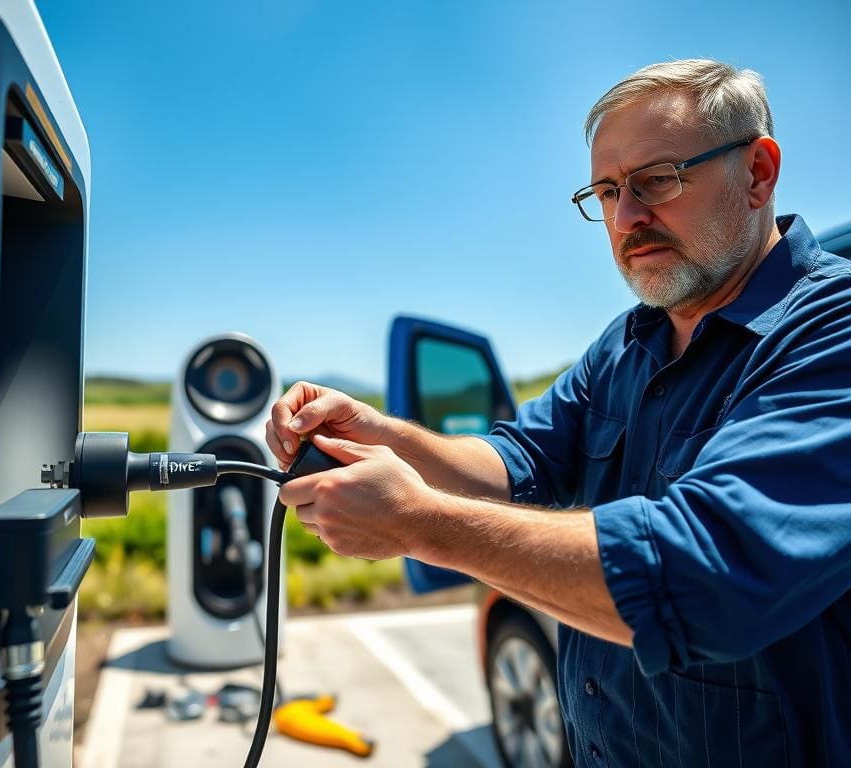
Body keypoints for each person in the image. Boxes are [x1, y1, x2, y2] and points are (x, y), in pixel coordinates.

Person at [266, 59, 851, 766]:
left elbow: (708, 576)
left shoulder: (830, 328)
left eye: (657, 180)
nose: (627, 217)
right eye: (606, 191)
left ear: (757, 172)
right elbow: (517, 463)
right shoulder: (629, 342)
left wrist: (418, 523)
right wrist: (376, 432)